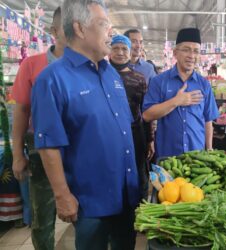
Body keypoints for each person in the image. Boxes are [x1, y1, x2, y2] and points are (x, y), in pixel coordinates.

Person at [31, 1, 139, 249]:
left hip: (125, 192)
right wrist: (62, 195)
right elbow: (48, 144)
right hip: (90, 200)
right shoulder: (53, 79)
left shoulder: (111, 74)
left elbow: (122, 128)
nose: (110, 32)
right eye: (103, 25)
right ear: (79, 29)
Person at [11, 7, 66, 249]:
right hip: (41, 146)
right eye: (69, 25)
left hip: (79, 146)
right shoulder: (32, 65)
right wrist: (17, 154)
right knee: (43, 213)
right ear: (54, 31)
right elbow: (21, 111)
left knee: (86, 213)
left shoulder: (89, 65)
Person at [142, 28, 219, 158]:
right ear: (175, 52)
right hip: (168, 157)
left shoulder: (204, 85)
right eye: (186, 49)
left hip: (197, 158)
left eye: (196, 51)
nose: (191, 55)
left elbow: (207, 120)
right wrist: (176, 101)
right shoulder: (159, 81)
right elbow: (147, 115)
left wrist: (209, 149)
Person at [109, 34, 154, 200]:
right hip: (110, 135)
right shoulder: (102, 76)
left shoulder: (139, 78)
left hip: (136, 134)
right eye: (115, 48)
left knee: (139, 174)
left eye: (124, 49)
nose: (120, 52)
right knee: (115, 173)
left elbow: (145, 112)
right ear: (109, 51)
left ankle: (138, 211)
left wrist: (150, 139)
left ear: (130, 52)